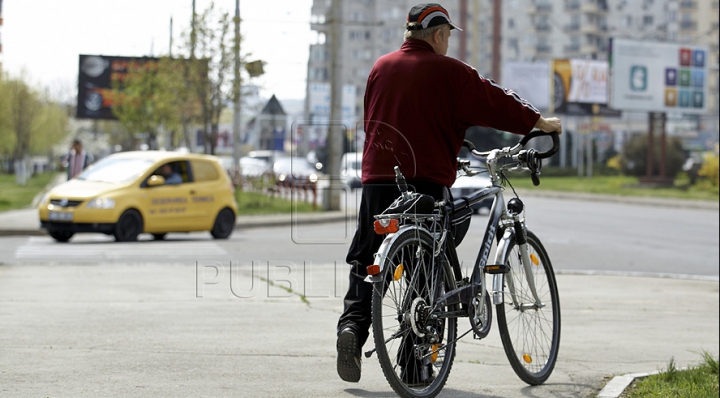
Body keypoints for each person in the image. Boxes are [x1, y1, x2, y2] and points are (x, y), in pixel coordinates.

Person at [335, 3, 562, 384]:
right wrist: (538, 121)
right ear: (439, 35)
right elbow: (494, 100)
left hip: (376, 180)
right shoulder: (450, 72)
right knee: (429, 265)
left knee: (366, 261)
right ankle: (416, 364)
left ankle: (352, 331)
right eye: (448, 37)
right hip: (424, 182)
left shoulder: (380, 67)